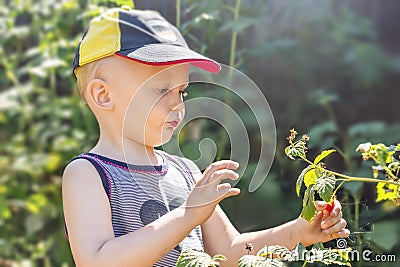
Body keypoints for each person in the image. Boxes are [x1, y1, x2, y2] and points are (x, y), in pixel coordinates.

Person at [62, 6, 350, 267]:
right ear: (103, 95)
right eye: (162, 90)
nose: (178, 104)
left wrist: (297, 232)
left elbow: (231, 251)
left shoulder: (186, 172)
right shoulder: (88, 174)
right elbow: (97, 262)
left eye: (181, 91)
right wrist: (187, 215)